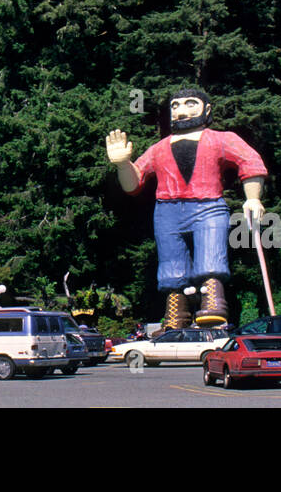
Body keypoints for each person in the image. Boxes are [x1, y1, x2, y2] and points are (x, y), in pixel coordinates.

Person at [106, 88, 268, 329]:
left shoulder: (222, 139)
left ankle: (213, 300)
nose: (181, 111)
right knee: (171, 261)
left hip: (209, 205)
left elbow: (250, 162)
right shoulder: (159, 148)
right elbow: (134, 184)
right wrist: (122, 165)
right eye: (175, 106)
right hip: (167, 209)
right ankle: (176, 310)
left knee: (211, 254)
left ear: (207, 109)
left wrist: (253, 198)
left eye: (190, 104)